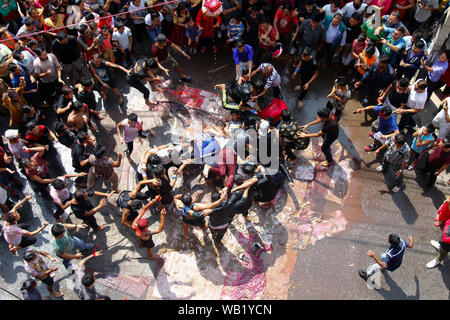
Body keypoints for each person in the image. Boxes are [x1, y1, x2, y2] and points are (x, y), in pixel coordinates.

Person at [132, 195, 166, 260]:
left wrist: (153, 201)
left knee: (141, 240)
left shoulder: (134, 224)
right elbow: (159, 230)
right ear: (145, 227)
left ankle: (141, 244)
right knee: (150, 247)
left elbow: (144, 209)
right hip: (147, 240)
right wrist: (162, 217)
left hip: (140, 237)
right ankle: (150, 257)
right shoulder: (145, 233)